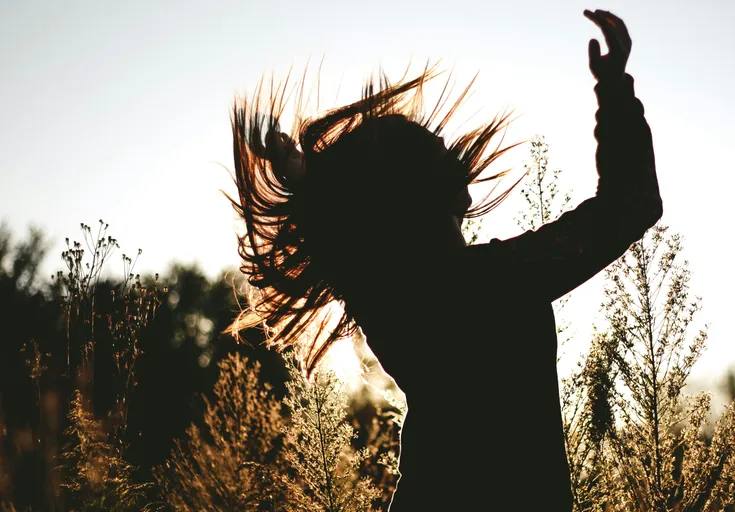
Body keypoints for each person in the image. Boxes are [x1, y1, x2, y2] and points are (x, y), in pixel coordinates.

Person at [228, 9, 661, 511]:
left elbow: (353, 220)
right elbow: (631, 204)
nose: (450, 148)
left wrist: (306, 176)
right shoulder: (493, 281)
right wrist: (614, 89)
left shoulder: (384, 294)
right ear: (414, 195)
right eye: (434, 149)